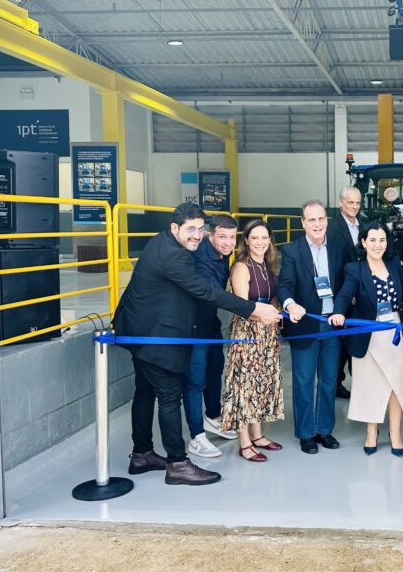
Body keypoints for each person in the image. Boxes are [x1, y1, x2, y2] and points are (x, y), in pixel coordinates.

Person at [112, 203, 281, 486]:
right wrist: (253, 308)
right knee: (168, 395)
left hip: (139, 326)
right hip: (152, 334)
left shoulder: (167, 243)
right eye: (190, 229)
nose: (196, 235)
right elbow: (205, 291)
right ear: (175, 228)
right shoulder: (173, 256)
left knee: (144, 391)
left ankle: (142, 454)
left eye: (200, 229)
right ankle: (177, 463)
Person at [279, 200, 353, 454]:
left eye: (321, 219)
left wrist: (341, 309)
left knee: (330, 380)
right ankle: (306, 433)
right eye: (312, 220)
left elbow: (347, 282)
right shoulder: (291, 250)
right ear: (303, 223)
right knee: (303, 381)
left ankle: (324, 430)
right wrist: (289, 305)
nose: (318, 224)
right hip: (306, 325)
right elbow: (285, 285)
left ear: (327, 221)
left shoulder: (339, 247)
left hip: (333, 324)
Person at [329, 222, 403, 456]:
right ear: (363, 243)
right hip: (368, 333)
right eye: (372, 240)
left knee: (395, 385)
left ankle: (395, 433)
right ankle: (371, 432)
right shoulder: (355, 268)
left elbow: (400, 295)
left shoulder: (394, 264)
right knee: (369, 386)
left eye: (382, 240)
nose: (377, 244)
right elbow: (345, 293)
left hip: (393, 332)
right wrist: (338, 311)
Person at [218, 219, 285, 462]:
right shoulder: (241, 267)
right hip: (247, 334)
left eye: (264, 238)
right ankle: (244, 441)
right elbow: (243, 305)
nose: (260, 242)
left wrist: (283, 311)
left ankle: (258, 435)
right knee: (244, 386)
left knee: (262, 384)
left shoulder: (268, 267)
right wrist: (267, 314)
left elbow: (273, 299)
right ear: (246, 240)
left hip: (267, 334)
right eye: (254, 238)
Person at [184, 214, 239, 460]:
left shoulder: (223, 254)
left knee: (215, 368)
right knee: (195, 380)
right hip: (192, 325)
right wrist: (253, 310)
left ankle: (213, 418)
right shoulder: (199, 257)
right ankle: (196, 436)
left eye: (232, 237)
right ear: (210, 235)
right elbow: (213, 293)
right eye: (223, 237)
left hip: (210, 321)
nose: (228, 243)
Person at [326, 186, 363, 400]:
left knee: (356, 339)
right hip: (342, 293)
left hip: (360, 292)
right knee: (338, 343)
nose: (354, 207)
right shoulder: (332, 228)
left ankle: (358, 382)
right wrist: (346, 293)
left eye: (357, 203)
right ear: (341, 203)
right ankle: (336, 382)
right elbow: (334, 265)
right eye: (351, 203)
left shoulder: (363, 225)